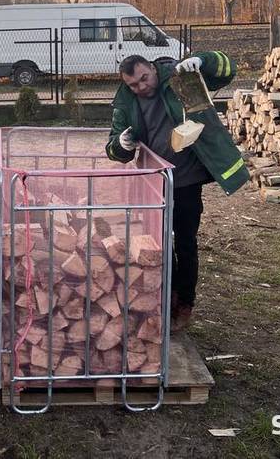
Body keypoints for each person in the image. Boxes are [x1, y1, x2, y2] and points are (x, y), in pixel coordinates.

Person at [105, 52, 249, 333]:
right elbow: (114, 147)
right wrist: (122, 144)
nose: (141, 87)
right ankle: (163, 297)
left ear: (152, 68)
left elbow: (228, 69)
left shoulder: (180, 77)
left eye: (144, 79)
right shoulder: (125, 101)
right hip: (154, 180)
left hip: (186, 178)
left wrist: (204, 61)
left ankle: (185, 303)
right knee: (158, 243)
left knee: (185, 242)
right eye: (133, 84)